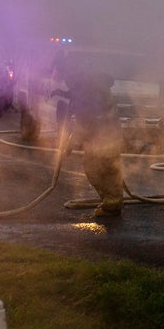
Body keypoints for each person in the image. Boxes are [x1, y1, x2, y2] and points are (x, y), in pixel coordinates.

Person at [62, 68, 125, 218]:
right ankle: (113, 203)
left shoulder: (88, 95)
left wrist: (71, 144)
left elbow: (85, 124)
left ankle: (111, 205)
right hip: (111, 138)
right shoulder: (101, 91)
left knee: (96, 170)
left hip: (100, 142)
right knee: (111, 171)